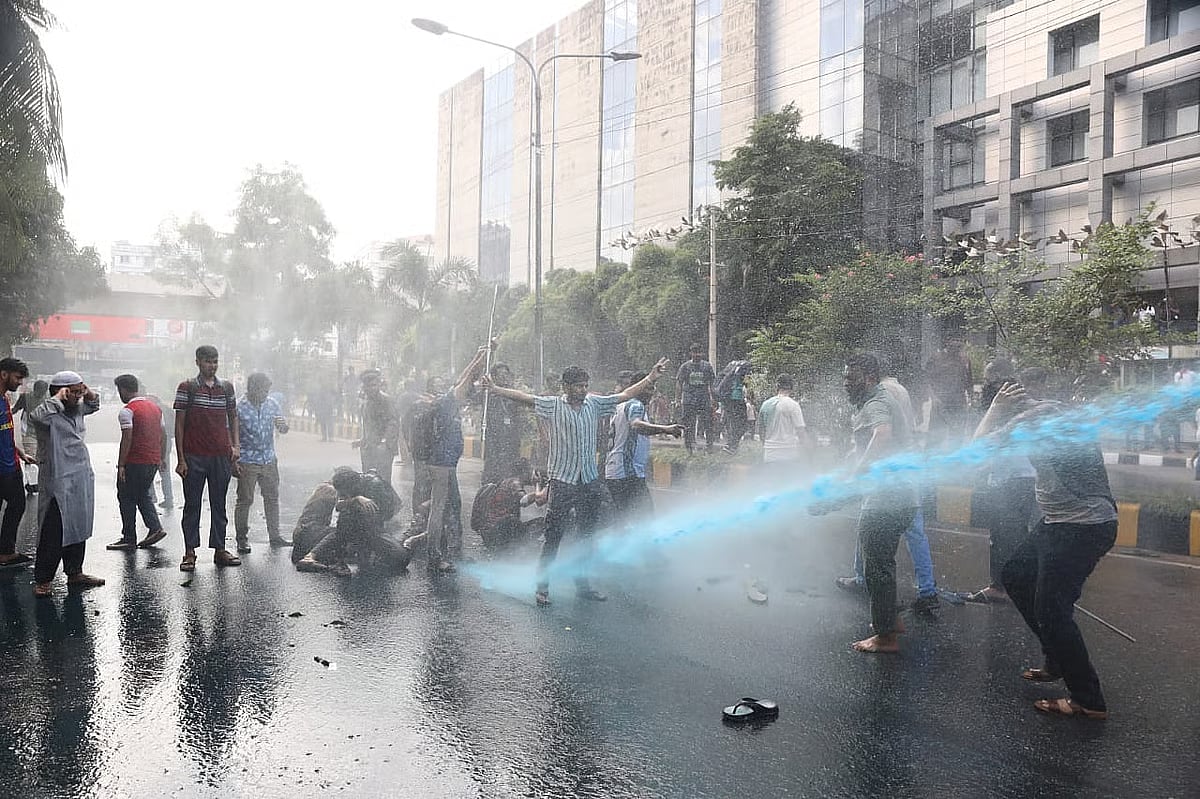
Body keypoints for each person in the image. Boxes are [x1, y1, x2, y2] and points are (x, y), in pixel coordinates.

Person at [973, 368, 1118, 719]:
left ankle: (1088, 699)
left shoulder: (1041, 416)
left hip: (1083, 526)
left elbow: (977, 451)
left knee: (1052, 611)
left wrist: (994, 409)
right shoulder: (1043, 413)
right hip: (1057, 523)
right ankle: (1057, 659)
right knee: (1017, 576)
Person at [481, 359, 672, 606]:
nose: (583, 390)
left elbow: (624, 394)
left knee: (587, 535)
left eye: (585, 385)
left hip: (588, 480)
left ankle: (583, 585)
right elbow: (524, 398)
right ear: (566, 386)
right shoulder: (553, 406)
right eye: (578, 386)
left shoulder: (594, 404)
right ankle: (542, 587)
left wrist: (651, 377)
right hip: (563, 481)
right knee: (554, 536)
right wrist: (496, 389)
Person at [820, 353, 919, 654]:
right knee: (882, 563)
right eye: (845, 376)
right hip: (900, 497)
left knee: (876, 568)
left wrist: (857, 475)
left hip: (887, 500)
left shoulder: (877, 401)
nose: (846, 382)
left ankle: (885, 636)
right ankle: (892, 620)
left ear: (870, 376)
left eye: (852, 377)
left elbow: (882, 436)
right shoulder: (879, 400)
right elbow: (861, 449)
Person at [402, 346, 488, 572]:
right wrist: (484, 355)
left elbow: (465, 377)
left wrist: (479, 354)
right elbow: (468, 378)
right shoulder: (447, 402)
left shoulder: (444, 401)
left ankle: (450, 550)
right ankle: (434, 556)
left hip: (445, 462)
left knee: (452, 504)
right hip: (441, 463)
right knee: (439, 508)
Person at [28, 371, 105, 596]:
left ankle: (75, 572)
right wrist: (59, 397)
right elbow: (36, 416)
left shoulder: (78, 409)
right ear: (61, 393)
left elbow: (95, 403)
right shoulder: (49, 414)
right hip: (57, 481)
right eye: (73, 393)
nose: (78, 397)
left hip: (80, 477)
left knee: (78, 527)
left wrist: (84, 389)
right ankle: (43, 581)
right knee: (54, 530)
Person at [174, 345, 241, 572]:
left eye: (215, 361)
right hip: (194, 456)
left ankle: (220, 549)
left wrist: (235, 447)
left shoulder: (227, 388)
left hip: (220, 456)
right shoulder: (187, 387)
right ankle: (190, 551)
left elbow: (233, 418)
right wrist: (181, 458)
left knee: (219, 504)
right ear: (198, 362)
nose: (211, 366)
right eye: (207, 361)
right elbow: (180, 424)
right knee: (192, 505)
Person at [295, 467, 405, 576]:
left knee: (401, 558)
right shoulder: (348, 490)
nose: (343, 496)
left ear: (353, 486)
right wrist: (355, 500)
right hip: (353, 527)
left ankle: (367, 551)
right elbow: (339, 506)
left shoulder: (374, 485)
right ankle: (335, 560)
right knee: (345, 523)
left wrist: (365, 515)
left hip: (373, 528)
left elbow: (386, 513)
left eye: (345, 493)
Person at [605, 371, 684, 522]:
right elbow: (636, 425)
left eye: (653, 388)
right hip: (627, 472)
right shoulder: (636, 405)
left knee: (624, 519)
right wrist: (665, 429)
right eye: (648, 388)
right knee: (644, 520)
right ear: (637, 387)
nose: (652, 392)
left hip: (617, 471)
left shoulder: (621, 405)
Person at [107, 374, 167, 551]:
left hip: (135, 461)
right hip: (153, 461)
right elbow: (162, 434)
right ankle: (154, 528)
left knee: (125, 496)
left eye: (119, 390)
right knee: (141, 494)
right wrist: (161, 457)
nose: (119, 394)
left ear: (124, 390)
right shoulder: (155, 408)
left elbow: (127, 438)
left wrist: (121, 465)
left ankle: (129, 537)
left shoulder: (127, 411)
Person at [233, 372, 291, 553]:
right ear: (252, 389)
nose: (266, 394)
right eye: (263, 391)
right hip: (247, 460)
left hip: (269, 459)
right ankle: (242, 538)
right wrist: (233, 460)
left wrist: (284, 426)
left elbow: (283, 429)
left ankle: (275, 535)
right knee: (245, 500)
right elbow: (231, 436)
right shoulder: (239, 408)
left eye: (267, 391)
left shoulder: (272, 404)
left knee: (272, 498)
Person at [0, 358, 36, 568]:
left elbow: (4, 434)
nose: (20, 382)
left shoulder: (4, 399)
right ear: (4, 374)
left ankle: (5, 550)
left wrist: (20, 453)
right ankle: (6, 552)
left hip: (11, 463)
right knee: (17, 505)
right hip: (4, 468)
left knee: (15, 505)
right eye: (18, 377)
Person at [470, 458, 546, 552]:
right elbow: (524, 501)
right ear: (524, 472)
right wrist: (538, 488)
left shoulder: (506, 481)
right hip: (499, 532)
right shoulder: (514, 482)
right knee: (544, 522)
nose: (532, 475)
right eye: (530, 471)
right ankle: (519, 550)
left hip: (490, 533)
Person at [480, 363, 525, 485]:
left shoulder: (514, 395)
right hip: (494, 443)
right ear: (494, 377)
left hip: (511, 443)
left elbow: (518, 419)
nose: (504, 377)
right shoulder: (488, 394)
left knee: (510, 480)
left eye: (506, 374)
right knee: (492, 479)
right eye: (501, 375)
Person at [353, 369, 399, 489]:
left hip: (383, 449)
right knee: (368, 481)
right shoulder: (365, 403)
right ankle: (371, 506)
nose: (370, 388)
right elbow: (367, 425)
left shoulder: (386, 400)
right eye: (367, 386)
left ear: (379, 384)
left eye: (373, 385)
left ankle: (388, 506)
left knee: (383, 481)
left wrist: (384, 442)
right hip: (368, 448)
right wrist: (362, 440)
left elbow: (392, 422)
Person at [757, 374, 809, 464]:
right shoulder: (793, 405)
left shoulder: (765, 404)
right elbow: (801, 431)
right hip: (789, 455)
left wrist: (767, 446)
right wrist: (808, 451)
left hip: (770, 456)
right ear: (791, 388)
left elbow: (761, 431)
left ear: (777, 386)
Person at [676, 343, 716, 454]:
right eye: (694, 352)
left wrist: (714, 398)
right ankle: (688, 446)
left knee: (708, 423)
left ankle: (710, 446)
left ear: (702, 353)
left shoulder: (707, 366)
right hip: (689, 399)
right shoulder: (685, 367)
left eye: (699, 352)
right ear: (691, 353)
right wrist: (678, 400)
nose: (697, 355)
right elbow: (679, 383)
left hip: (704, 398)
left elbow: (712, 383)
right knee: (688, 424)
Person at [12, 378, 48, 494]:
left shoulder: (48, 399)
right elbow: (15, 409)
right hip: (28, 431)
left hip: (44, 432)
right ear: (35, 389)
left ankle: (36, 480)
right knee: (30, 456)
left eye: (43, 391)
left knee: (41, 457)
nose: (41, 394)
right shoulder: (25, 397)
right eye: (39, 391)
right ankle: (31, 483)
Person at [715, 360, 752, 453]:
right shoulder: (744, 369)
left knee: (732, 423)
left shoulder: (731, 369)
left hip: (727, 400)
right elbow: (747, 385)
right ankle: (731, 445)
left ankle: (731, 445)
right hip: (736, 399)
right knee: (742, 424)